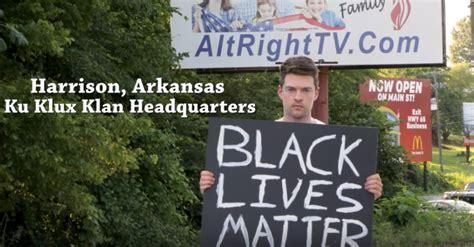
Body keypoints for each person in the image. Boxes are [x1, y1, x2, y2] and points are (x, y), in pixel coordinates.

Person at [199, 56, 383, 200]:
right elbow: (243, 196)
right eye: (291, 89)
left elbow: (342, 202)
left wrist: (368, 193)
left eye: (305, 90)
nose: (298, 97)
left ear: (316, 93)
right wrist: (212, 186)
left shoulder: (336, 146)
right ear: (280, 91)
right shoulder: (259, 143)